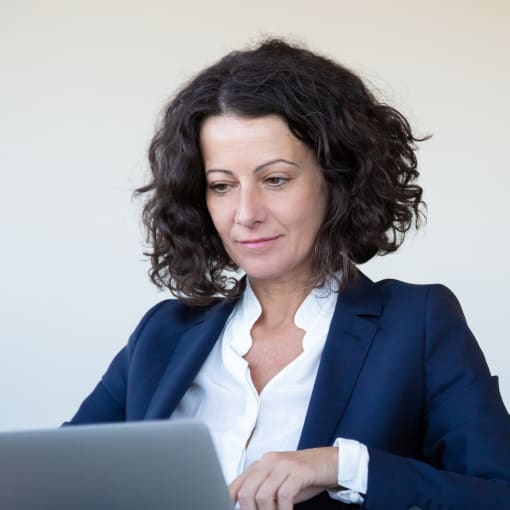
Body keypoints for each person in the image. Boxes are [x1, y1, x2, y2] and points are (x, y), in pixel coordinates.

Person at [68, 39, 510, 509]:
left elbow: (498, 494)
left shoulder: (417, 324)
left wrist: (343, 467)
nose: (246, 213)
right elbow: (56, 479)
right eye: (221, 186)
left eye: (275, 179)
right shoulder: (162, 334)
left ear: (338, 179)